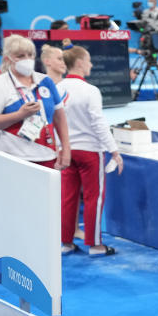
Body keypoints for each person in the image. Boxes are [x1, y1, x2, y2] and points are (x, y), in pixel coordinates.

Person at [59, 47, 123, 256]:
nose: (91, 65)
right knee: (93, 198)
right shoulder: (90, 90)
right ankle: (95, 244)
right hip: (89, 151)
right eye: (88, 61)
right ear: (79, 63)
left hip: (66, 151)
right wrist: (114, 150)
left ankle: (66, 242)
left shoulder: (57, 88)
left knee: (67, 198)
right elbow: (98, 123)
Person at [0, 34, 71, 171]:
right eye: (20, 56)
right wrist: (19, 115)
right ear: (8, 59)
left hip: (46, 155)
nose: (27, 59)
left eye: (30, 55)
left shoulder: (45, 81)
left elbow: (60, 117)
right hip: (12, 158)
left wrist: (66, 147)